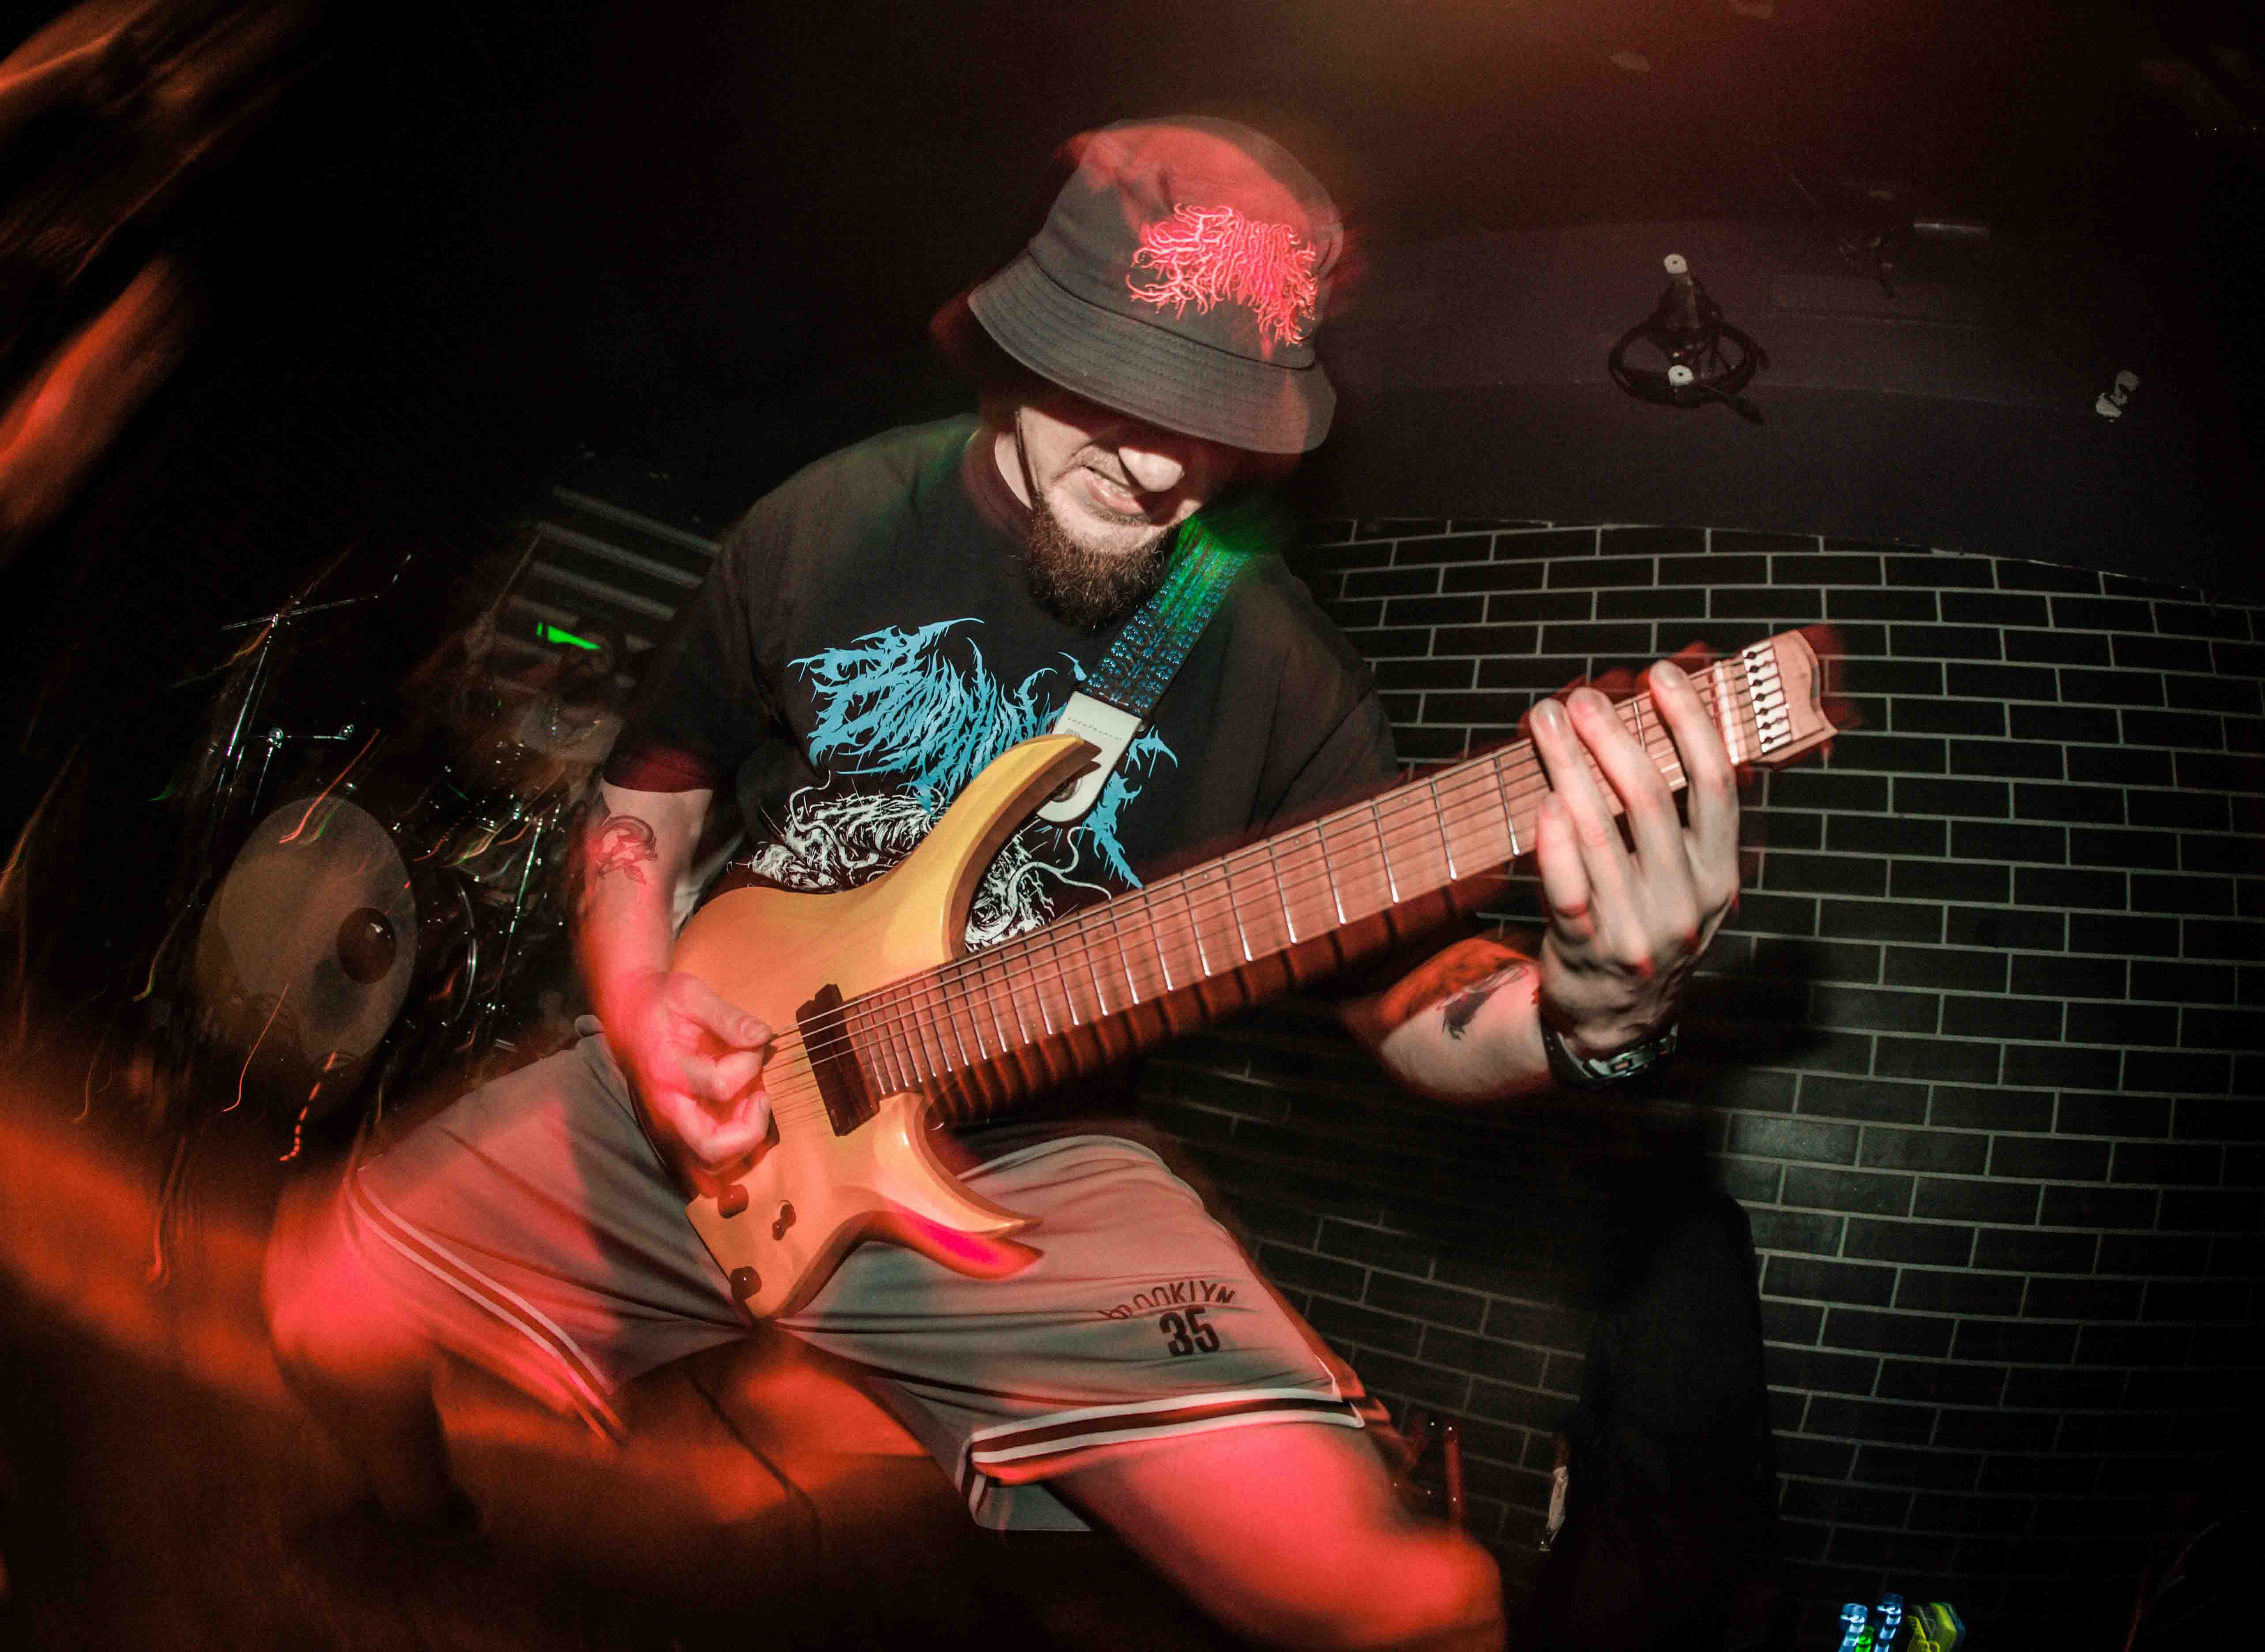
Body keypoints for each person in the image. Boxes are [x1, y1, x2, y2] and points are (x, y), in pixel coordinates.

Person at [264, 117, 1743, 1652]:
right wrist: (638, 1010)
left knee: (1412, 1610)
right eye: (1122, 391)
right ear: (1019, 341)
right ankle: (424, 1536)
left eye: (1216, 421)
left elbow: (1411, 1008)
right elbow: (653, 794)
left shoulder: (1280, 671)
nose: (1162, 465)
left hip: (1037, 1164)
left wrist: (1595, 1012)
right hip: (727, 1062)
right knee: (325, 1312)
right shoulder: (830, 520)